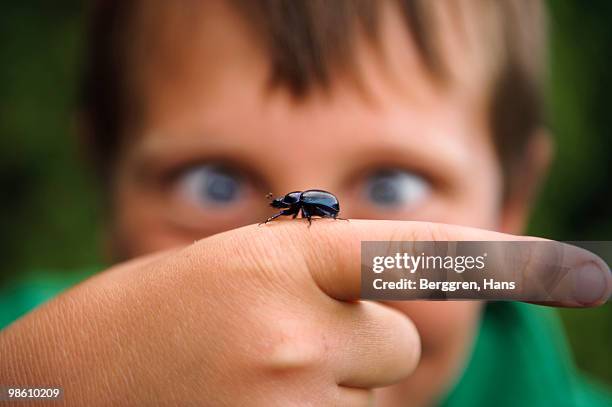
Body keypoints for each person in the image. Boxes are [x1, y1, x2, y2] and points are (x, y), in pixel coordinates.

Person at [1, 1, 610, 405]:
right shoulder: (26, 346)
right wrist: (44, 385)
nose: (291, 276)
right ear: (105, 187)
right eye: (212, 183)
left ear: (511, 202)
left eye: (393, 185)